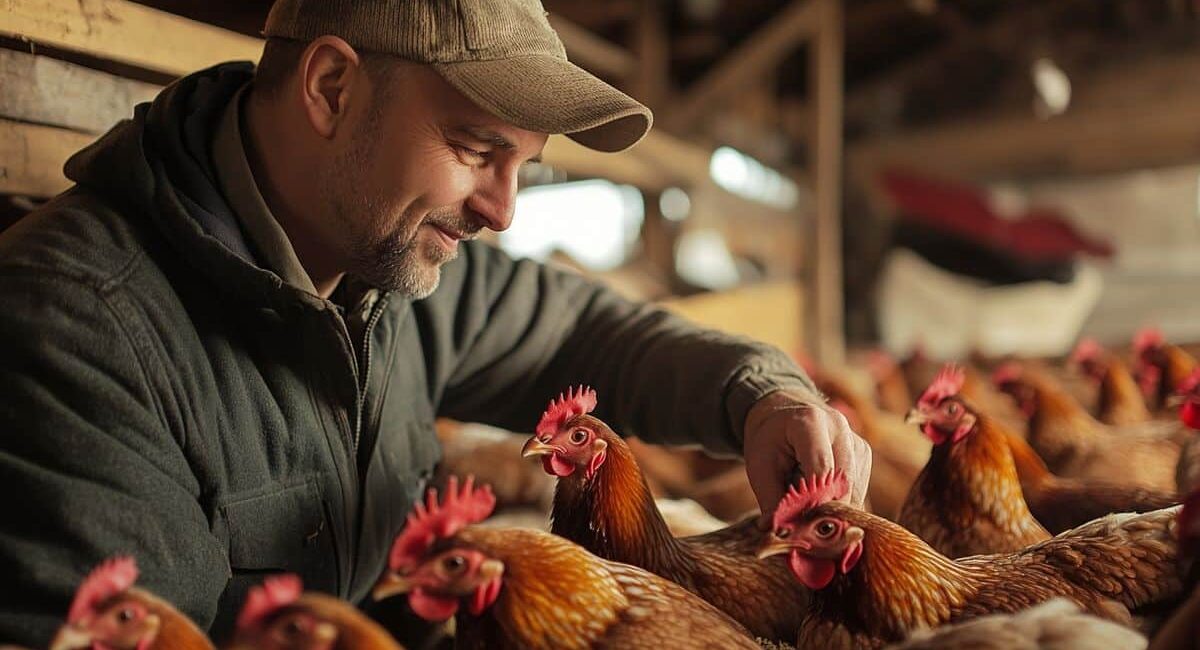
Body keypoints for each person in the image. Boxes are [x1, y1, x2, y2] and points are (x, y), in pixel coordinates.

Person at [0, 0, 870, 643]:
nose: (503, 211)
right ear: (333, 88)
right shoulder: (78, 328)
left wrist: (763, 398)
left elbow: (590, 332)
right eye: (476, 149)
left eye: (524, 165)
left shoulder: (385, 260)